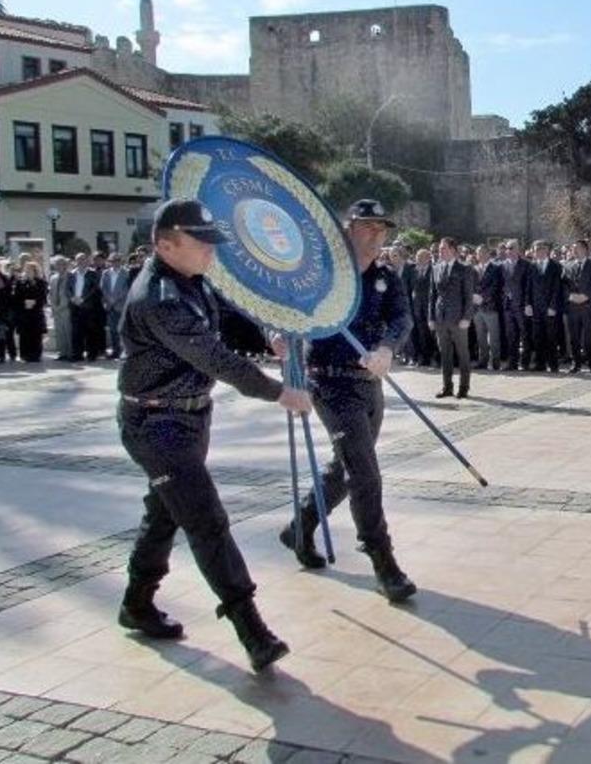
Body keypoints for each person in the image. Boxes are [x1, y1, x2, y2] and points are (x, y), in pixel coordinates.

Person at [117, 198, 311, 672]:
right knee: (205, 519)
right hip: (157, 425)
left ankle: (136, 603)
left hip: (189, 418)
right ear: (165, 244)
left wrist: (266, 332)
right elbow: (217, 359)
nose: (210, 252)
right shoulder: (158, 300)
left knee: (164, 513)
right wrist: (279, 392)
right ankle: (252, 629)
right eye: (200, 243)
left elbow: (225, 310)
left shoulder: (189, 282)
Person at [277, 198, 417, 601]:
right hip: (330, 383)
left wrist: (388, 349)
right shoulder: (321, 275)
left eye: (383, 228)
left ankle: (300, 526)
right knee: (365, 473)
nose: (377, 235)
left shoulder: (387, 278)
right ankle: (383, 562)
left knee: (345, 467)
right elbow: (283, 305)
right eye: (369, 227)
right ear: (348, 228)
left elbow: (401, 318)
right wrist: (277, 332)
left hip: (369, 382)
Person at [429, 236, 475, 398]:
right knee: (445, 354)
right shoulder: (436, 268)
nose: (439, 251)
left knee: (463, 354)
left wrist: (467, 318)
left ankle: (464, 387)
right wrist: (431, 318)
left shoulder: (464, 268)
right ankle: (447, 387)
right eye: (439, 249)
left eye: (443, 248)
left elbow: (468, 296)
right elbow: (432, 295)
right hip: (441, 318)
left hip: (458, 319)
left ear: (453, 250)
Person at [564, 238, 591, 373]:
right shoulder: (568, 266)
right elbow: (563, 285)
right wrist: (570, 296)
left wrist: (586, 296)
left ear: (585, 250)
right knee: (574, 337)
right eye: (573, 248)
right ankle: (576, 363)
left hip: (588, 306)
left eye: (578, 248)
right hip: (573, 307)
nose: (575, 251)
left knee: (589, 337)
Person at [528, 239, 563, 371]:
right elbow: (528, 287)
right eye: (536, 249)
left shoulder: (555, 266)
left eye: (541, 249)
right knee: (537, 337)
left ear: (547, 250)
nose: (538, 252)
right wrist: (528, 304)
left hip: (550, 308)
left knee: (551, 337)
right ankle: (540, 364)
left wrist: (553, 306)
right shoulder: (532, 266)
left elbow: (557, 288)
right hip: (536, 307)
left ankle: (553, 364)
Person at [501, 239, 533, 370]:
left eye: (511, 248)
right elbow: (501, 284)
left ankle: (525, 362)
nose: (508, 251)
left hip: (521, 305)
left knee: (525, 335)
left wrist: (527, 304)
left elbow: (528, 287)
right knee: (511, 335)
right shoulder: (503, 265)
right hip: (508, 306)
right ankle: (512, 362)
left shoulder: (526, 265)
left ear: (518, 250)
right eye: (507, 248)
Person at [472, 244, 504, 371]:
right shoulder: (473, 269)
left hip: (490, 306)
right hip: (476, 308)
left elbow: (496, 286)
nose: (480, 255)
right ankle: (483, 361)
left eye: (482, 252)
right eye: (478, 253)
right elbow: (471, 285)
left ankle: (495, 361)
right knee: (480, 337)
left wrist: (483, 298)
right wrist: (474, 297)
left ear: (487, 253)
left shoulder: (496, 268)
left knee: (494, 336)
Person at [68, 252, 104, 361]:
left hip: (88, 306)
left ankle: (91, 354)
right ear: (75, 261)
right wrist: (72, 298)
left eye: (83, 259)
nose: (81, 261)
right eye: (78, 259)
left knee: (90, 331)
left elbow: (94, 289)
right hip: (75, 306)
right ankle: (77, 354)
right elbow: (68, 288)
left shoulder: (92, 274)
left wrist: (83, 298)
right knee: (76, 332)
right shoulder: (71, 274)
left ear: (87, 261)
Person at [12, 260, 48, 363]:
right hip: (24, 313)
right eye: (26, 270)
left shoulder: (41, 282)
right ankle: (25, 355)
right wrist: (24, 303)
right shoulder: (20, 282)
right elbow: (16, 298)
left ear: (35, 271)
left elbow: (43, 297)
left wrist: (35, 302)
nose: (28, 272)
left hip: (36, 313)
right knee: (24, 334)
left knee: (36, 334)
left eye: (31, 270)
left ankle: (36, 355)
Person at [101, 253, 130, 358]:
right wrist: (109, 299)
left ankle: (124, 351)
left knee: (122, 330)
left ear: (120, 261)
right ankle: (115, 351)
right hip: (110, 306)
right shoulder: (106, 273)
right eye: (112, 261)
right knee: (112, 330)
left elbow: (127, 289)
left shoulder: (126, 273)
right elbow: (103, 288)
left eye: (117, 260)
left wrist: (116, 299)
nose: (115, 262)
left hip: (121, 305)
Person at [410, 248, 435, 366]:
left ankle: (434, 357)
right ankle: (424, 358)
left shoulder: (433, 270)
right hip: (417, 307)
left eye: (420, 257)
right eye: (417, 257)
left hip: (429, 306)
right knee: (421, 333)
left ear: (427, 258)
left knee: (431, 333)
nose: (418, 260)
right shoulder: (414, 270)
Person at [47, 256, 73, 361]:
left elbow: (71, 293)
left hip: (67, 308)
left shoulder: (71, 276)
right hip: (56, 308)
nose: (58, 266)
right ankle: (62, 353)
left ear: (65, 265)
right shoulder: (53, 278)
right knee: (60, 332)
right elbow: (51, 293)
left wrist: (64, 305)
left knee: (68, 331)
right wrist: (52, 305)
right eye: (56, 264)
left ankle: (71, 353)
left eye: (61, 264)